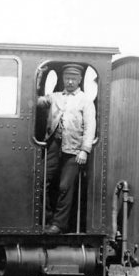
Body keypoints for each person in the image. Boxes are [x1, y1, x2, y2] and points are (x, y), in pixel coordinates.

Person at [37, 64, 96, 234]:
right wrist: (38, 77)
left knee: (65, 187)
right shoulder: (55, 97)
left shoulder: (86, 101)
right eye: (67, 78)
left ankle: (59, 224)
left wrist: (85, 150)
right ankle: (46, 220)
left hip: (74, 150)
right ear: (63, 79)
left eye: (73, 79)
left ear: (79, 80)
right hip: (54, 145)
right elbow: (37, 101)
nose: (70, 82)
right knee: (42, 182)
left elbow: (90, 126)